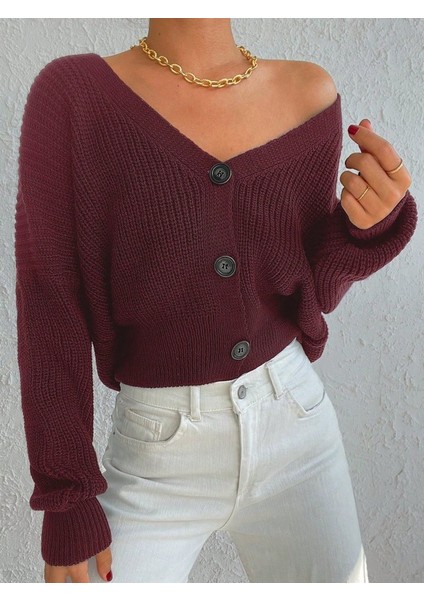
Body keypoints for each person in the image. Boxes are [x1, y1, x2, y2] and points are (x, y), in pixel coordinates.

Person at [14, 18, 417, 583]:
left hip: (297, 428)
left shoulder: (310, 94)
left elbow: (314, 291)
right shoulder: (73, 95)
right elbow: (49, 299)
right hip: (156, 452)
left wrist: (367, 229)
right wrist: (67, 495)